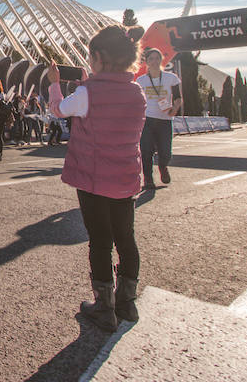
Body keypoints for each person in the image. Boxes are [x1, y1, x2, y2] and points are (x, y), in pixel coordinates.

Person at [48, 24, 147, 332]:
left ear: (99, 57)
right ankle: (126, 302)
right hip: (125, 178)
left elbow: (57, 110)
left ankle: (104, 307)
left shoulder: (86, 92)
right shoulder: (137, 92)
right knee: (126, 238)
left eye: (91, 57)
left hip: (93, 179)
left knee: (100, 241)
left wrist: (54, 83)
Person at [136, 48, 182, 187]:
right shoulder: (141, 80)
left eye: (157, 58)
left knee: (166, 152)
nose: (154, 61)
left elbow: (178, 98)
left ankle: (163, 166)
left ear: (161, 60)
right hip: (147, 120)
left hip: (165, 120)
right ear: (146, 62)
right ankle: (148, 179)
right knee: (146, 150)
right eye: (151, 59)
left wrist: (174, 109)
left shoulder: (171, 78)